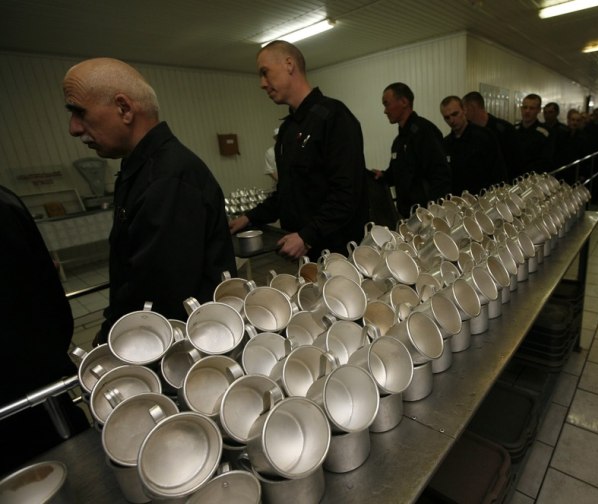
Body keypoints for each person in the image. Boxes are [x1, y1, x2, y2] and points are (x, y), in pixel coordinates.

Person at [63, 58, 237, 343]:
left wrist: (112, 341)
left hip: (175, 343)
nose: (73, 128)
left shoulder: (167, 178)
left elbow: (162, 298)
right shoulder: (140, 168)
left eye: (79, 112)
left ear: (124, 108)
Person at [229, 41, 368, 260]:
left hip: (338, 252)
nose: (262, 84)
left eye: (265, 73)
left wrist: (307, 236)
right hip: (302, 252)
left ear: (289, 64)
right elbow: (286, 192)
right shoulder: (287, 129)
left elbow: (347, 193)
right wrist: (249, 218)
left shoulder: (334, 116)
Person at [0, 185, 89, 474]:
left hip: (26, 386)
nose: (76, 135)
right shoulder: (6, 200)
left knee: (57, 466)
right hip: (33, 375)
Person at [376, 82, 451, 218]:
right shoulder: (398, 142)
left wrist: (433, 214)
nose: (385, 111)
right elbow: (396, 174)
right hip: (407, 216)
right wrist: (383, 175)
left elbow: (441, 175)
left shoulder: (424, 131)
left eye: (387, 104)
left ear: (404, 101)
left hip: (427, 216)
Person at [439, 95, 504, 195]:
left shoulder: (484, 136)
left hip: (484, 199)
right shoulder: (446, 144)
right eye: (447, 117)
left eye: (455, 114)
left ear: (464, 110)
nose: (452, 120)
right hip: (458, 201)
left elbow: (498, 171)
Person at [462, 91, 514, 180]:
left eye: (464, 109)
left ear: (472, 108)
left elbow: (515, 162)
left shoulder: (505, 130)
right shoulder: (466, 133)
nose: (463, 113)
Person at [512, 93, 552, 177]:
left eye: (532, 108)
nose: (527, 111)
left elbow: (545, 161)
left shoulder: (544, 133)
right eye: (525, 107)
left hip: (533, 179)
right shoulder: (513, 130)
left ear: (538, 110)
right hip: (514, 177)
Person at [543, 102, 570, 170]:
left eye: (550, 112)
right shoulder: (541, 129)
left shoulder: (564, 130)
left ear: (557, 113)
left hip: (559, 165)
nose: (547, 115)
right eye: (545, 112)